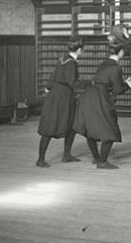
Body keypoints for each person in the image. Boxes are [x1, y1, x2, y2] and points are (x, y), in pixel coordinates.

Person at [72, 36, 131, 169]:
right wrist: (128, 85)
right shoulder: (116, 68)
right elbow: (118, 90)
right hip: (100, 98)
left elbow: (106, 82)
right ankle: (102, 161)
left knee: (91, 129)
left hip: (88, 96)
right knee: (110, 129)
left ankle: (97, 159)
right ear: (121, 53)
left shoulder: (104, 63)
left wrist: (123, 83)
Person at [36, 36, 90, 168]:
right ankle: (41, 159)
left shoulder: (63, 58)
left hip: (56, 94)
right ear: (78, 50)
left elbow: (53, 76)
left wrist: (48, 88)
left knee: (68, 125)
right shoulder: (72, 63)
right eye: (82, 49)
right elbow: (73, 83)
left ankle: (65, 155)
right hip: (64, 97)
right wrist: (89, 83)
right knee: (54, 126)